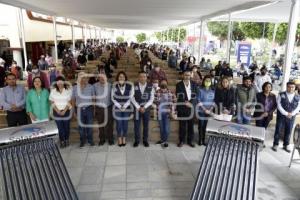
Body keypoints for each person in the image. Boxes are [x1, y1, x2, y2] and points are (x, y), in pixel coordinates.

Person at [272, 81, 300, 153]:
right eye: (289, 87)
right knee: (278, 129)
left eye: (292, 87)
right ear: (286, 87)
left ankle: (286, 145)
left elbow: (298, 107)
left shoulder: (298, 96)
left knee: (289, 130)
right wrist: (286, 113)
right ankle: (275, 144)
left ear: (295, 88)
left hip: (291, 116)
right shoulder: (281, 94)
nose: (290, 88)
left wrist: (292, 113)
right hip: (281, 115)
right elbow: (278, 105)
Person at [131, 71, 154, 147]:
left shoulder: (151, 86)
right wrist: (138, 107)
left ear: (146, 78)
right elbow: (132, 98)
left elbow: (151, 99)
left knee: (146, 125)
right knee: (136, 126)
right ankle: (137, 140)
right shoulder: (134, 86)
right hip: (137, 110)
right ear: (138, 78)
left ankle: (145, 140)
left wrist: (144, 107)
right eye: (140, 76)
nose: (142, 78)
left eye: (144, 76)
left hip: (146, 110)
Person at [72, 72, 95, 147]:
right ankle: (82, 141)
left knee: (90, 126)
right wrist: (73, 111)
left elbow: (93, 99)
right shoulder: (75, 88)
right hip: (79, 109)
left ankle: (90, 140)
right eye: (81, 77)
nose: (83, 79)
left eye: (85, 77)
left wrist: (94, 109)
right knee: (81, 127)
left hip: (89, 109)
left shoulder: (91, 87)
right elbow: (73, 100)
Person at [176, 70, 198, 147]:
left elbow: (196, 95)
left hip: (191, 108)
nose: (187, 77)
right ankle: (181, 141)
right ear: (183, 75)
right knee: (182, 126)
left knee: (190, 126)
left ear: (190, 76)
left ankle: (190, 141)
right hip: (182, 107)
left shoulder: (194, 84)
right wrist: (186, 102)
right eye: (185, 75)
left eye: (188, 75)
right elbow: (179, 95)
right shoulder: (179, 85)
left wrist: (191, 103)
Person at [111, 71, 133, 147]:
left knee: (125, 124)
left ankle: (124, 137)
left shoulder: (129, 86)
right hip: (117, 108)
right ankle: (119, 138)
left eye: (123, 77)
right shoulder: (114, 86)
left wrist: (125, 106)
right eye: (120, 77)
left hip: (126, 108)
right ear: (117, 78)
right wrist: (120, 106)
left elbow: (131, 98)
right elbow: (113, 98)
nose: (121, 78)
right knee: (119, 123)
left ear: (125, 78)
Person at [49, 76, 72, 148]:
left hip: (66, 111)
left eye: (61, 81)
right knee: (59, 127)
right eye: (58, 81)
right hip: (57, 112)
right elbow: (51, 102)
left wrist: (64, 110)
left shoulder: (68, 90)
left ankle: (67, 139)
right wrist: (57, 110)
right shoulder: (53, 91)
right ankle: (62, 140)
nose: (60, 83)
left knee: (66, 126)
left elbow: (69, 101)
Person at [94, 73, 114, 146]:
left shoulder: (110, 86)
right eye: (100, 78)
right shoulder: (95, 86)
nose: (102, 79)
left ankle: (110, 139)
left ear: (106, 78)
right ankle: (102, 139)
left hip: (108, 107)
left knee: (110, 125)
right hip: (99, 108)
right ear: (98, 79)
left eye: (104, 77)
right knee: (101, 125)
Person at [155, 79, 176, 148]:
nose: (163, 83)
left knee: (166, 128)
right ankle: (162, 140)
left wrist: (172, 112)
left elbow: (173, 103)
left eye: (165, 82)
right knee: (161, 128)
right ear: (160, 83)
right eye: (162, 82)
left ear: (167, 83)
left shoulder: (170, 92)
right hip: (159, 113)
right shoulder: (157, 92)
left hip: (167, 113)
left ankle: (165, 141)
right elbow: (155, 102)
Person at [197, 76, 215, 146]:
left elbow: (214, 101)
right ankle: (200, 140)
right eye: (206, 81)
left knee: (205, 126)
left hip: (209, 111)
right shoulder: (200, 90)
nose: (207, 82)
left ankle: (204, 140)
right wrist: (204, 109)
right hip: (201, 111)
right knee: (201, 125)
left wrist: (210, 110)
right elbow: (198, 100)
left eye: (209, 81)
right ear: (204, 81)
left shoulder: (213, 91)